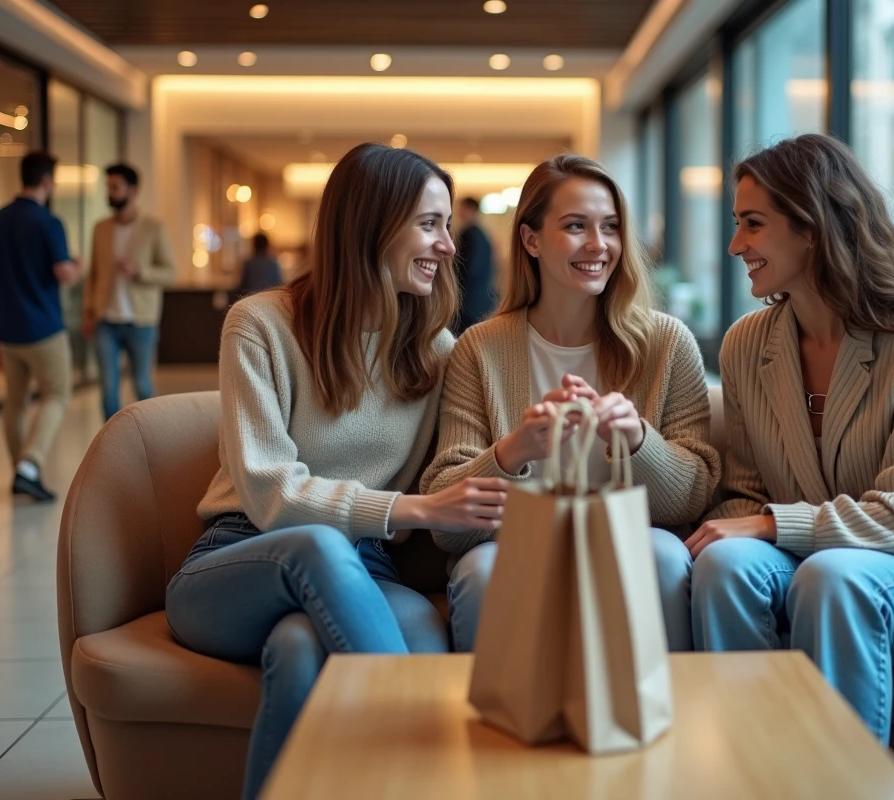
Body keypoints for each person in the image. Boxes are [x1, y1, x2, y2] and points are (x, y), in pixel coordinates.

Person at [164, 144, 510, 800]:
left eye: (446, 226)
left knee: (301, 648)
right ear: (371, 226)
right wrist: (413, 510)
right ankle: (434, 778)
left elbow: (465, 457)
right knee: (319, 546)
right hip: (239, 559)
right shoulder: (259, 325)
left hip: (367, 568)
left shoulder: (437, 351)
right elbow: (269, 492)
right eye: (429, 225)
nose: (447, 246)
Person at [686, 134, 894, 744]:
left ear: (811, 228)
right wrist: (715, 536)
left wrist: (771, 525)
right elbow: (745, 495)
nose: (736, 245)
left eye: (753, 224)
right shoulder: (746, 344)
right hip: (813, 559)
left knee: (831, 577)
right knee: (724, 565)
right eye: (736, 224)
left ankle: (841, 780)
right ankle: (747, 766)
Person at [421, 154, 720, 654]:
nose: (599, 244)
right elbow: (447, 529)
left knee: (666, 558)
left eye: (611, 227)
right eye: (576, 226)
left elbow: (693, 498)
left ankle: (663, 705)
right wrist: (514, 451)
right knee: (480, 573)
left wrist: (638, 442)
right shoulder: (480, 349)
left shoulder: (667, 344)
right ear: (531, 240)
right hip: (514, 543)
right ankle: (495, 708)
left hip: (632, 538)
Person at [0, 151, 81, 501]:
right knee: (57, 393)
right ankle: (30, 465)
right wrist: (78, 265)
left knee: (15, 400)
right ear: (47, 181)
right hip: (43, 327)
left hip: (8, 327)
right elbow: (64, 273)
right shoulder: (49, 223)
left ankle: (20, 471)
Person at [83, 163, 177, 421]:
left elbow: (170, 273)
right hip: (105, 320)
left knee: (143, 385)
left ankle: (150, 438)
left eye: (115, 187)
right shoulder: (100, 228)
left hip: (141, 322)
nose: (109, 192)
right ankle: (112, 442)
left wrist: (140, 271)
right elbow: (93, 274)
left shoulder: (153, 228)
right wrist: (88, 311)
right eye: (108, 187)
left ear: (132, 191)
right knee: (108, 390)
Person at [453, 196, 496, 333]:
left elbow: (469, 269)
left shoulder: (469, 235)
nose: (459, 212)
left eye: (462, 208)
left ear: (471, 209)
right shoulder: (483, 234)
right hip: (481, 299)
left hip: (468, 299)